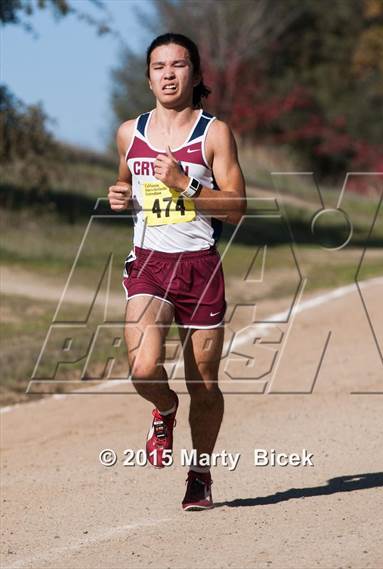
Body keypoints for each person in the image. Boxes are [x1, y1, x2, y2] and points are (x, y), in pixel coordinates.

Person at [108, 32, 246, 511]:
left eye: (178, 65)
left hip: (200, 266)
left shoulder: (214, 133)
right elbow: (125, 182)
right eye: (159, 66)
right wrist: (119, 194)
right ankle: (164, 409)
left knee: (203, 383)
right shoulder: (130, 132)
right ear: (148, 78)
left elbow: (237, 207)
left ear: (195, 74)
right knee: (144, 369)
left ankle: (200, 474)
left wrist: (184, 184)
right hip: (148, 263)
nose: (169, 74)